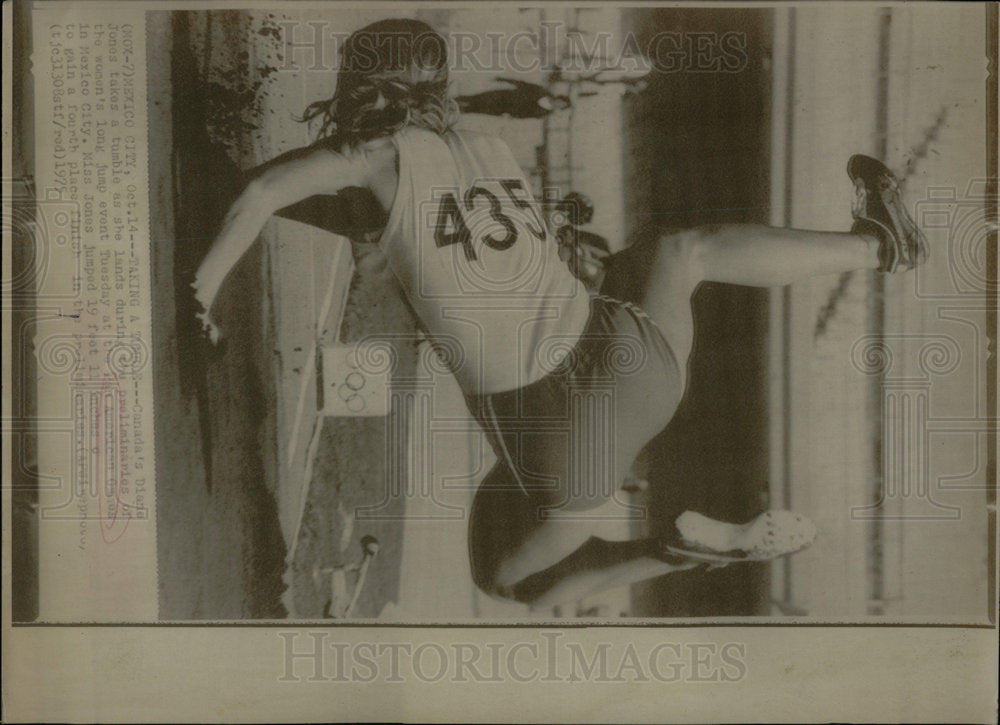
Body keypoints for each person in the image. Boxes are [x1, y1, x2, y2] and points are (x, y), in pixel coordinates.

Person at [193, 19, 928, 608]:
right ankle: (873, 249)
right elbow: (386, 210)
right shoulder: (485, 147)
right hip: (630, 356)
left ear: (364, 91)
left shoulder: (370, 154)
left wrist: (201, 290)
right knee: (680, 253)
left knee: (505, 575)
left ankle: (671, 547)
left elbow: (259, 194)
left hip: (557, 424)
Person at [456, 77, 571, 119]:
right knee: (475, 99)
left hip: (505, 110)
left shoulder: (544, 113)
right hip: (503, 96)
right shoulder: (542, 91)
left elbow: (525, 115)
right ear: (559, 98)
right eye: (561, 102)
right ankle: (451, 100)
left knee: (476, 109)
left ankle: (452, 110)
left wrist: (512, 116)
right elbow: (522, 84)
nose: (559, 104)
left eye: (561, 106)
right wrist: (503, 79)